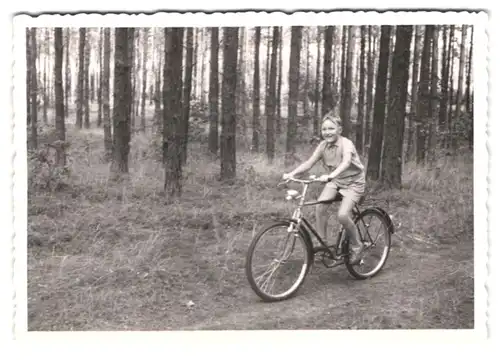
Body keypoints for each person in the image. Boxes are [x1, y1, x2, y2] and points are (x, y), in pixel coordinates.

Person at [282, 112, 366, 263]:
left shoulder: (346, 144)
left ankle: (357, 246)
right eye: (324, 129)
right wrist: (291, 173)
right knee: (320, 207)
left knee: (342, 215)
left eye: (331, 128)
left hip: (354, 183)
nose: (327, 132)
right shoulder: (323, 146)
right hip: (336, 181)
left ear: (339, 129)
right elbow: (309, 163)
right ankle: (324, 245)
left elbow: (346, 162)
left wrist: (331, 175)